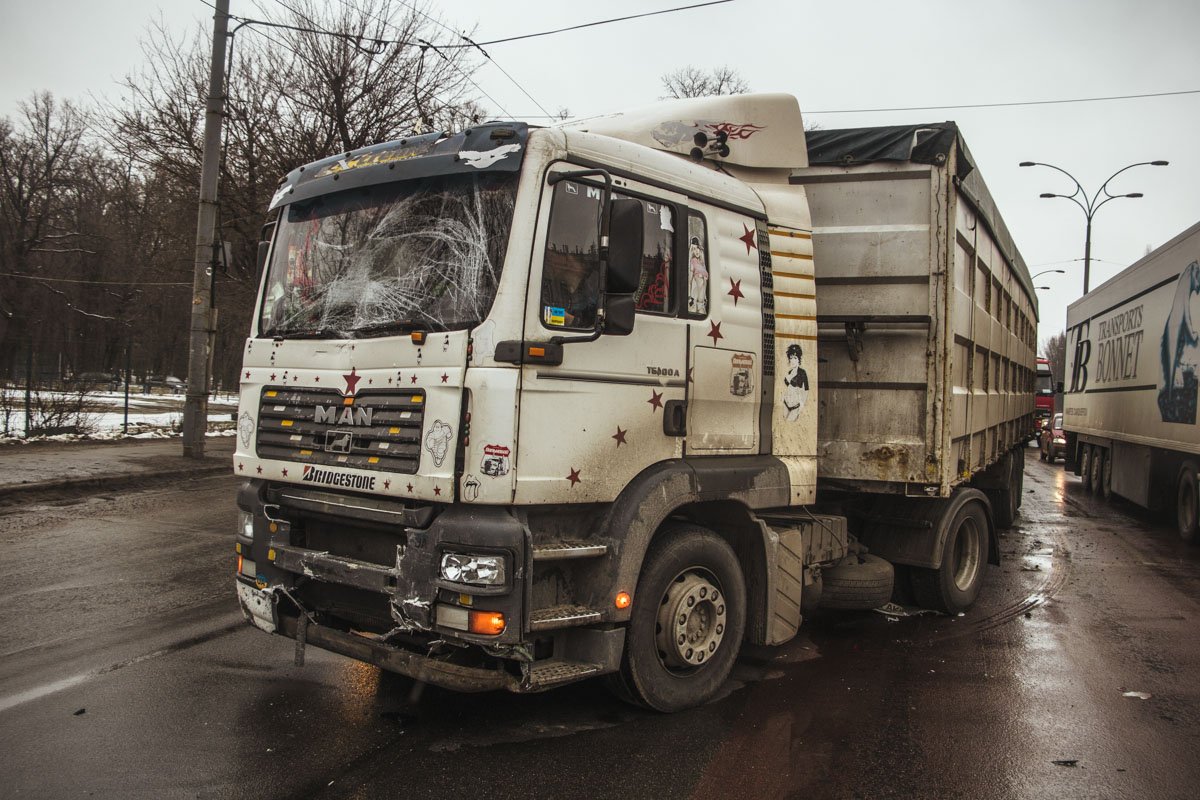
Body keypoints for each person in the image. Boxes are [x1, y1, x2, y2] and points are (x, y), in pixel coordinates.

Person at [782, 343, 809, 422]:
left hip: (795, 406)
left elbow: (806, 389)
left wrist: (802, 404)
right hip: (785, 403)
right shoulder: (790, 372)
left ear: (799, 359)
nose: (792, 360)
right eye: (791, 358)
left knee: (790, 425)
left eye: (795, 358)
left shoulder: (802, 372)